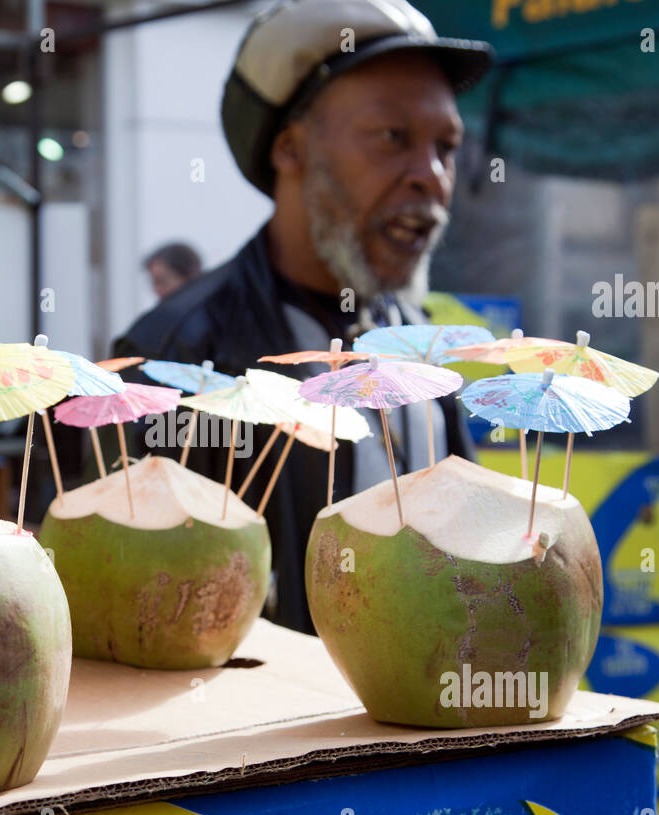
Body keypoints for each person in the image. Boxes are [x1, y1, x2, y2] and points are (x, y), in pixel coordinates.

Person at [113, 0, 494, 634]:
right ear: (291, 149)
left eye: (447, 147)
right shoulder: (178, 353)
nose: (431, 177)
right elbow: (141, 608)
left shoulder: (418, 344)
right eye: (393, 137)